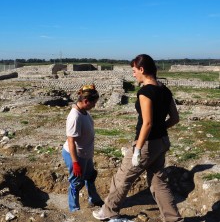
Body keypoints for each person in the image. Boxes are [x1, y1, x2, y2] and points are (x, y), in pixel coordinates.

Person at [93, 54, 184, 222]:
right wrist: (160, 128)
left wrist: (137, 150)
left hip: (147, 144)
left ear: (142, 69)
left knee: (122, 177)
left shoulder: (145, 92)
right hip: (162, 142)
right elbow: (175, 118)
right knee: (158, 182)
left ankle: (108, 211)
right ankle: (173, 219)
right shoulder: (165, 90)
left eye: (134, 71)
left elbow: (147, 123)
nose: (133, 74)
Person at [62, 84, 104, 212]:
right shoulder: (75, 117)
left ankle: (94, 199)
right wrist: (75, 163)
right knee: (76, 182)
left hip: (85, 154)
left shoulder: (84, 111)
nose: (94, 106)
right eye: (93, 103)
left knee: (90, 176)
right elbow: (71, 142)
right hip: (76, 155)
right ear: (85, 101)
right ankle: (74, 209)